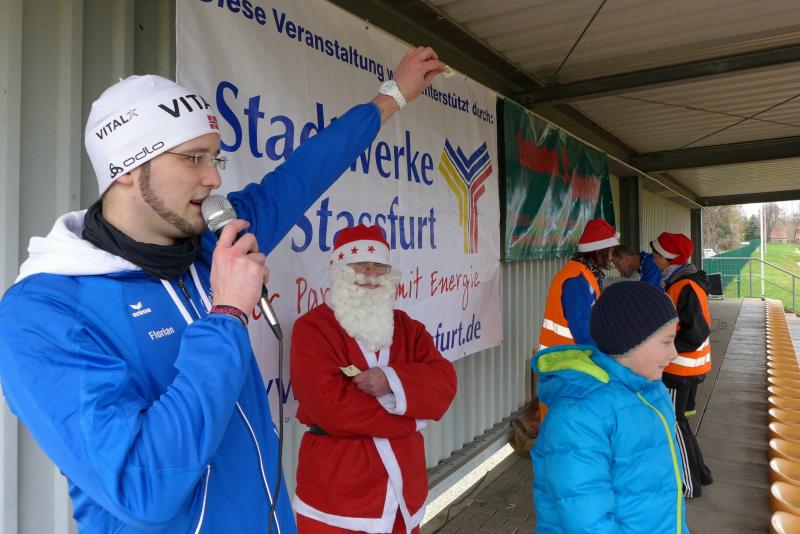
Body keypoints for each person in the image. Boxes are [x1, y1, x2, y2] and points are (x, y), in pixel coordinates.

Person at [0, 48, 444, 533]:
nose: (214, 178)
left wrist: (392, 96)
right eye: (194, 158)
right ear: (126, 166)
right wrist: (227, 313)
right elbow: (142, 486)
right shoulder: (45, 312)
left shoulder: (216, 238)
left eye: (215, 158)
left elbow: (304, 173)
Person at [290, 224, 457, 534]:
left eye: (378, 265)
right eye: (360, 264)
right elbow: (330, 408)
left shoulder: (408, 327)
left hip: (403, 493)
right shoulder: (312, 328)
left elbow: (444, 383)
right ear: (339, 270)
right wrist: (411, 419)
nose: (370, 273)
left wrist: (389, 380)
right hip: (336, 496)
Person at [531, 281, 689, 533]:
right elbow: (586, 517)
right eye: (666, 341)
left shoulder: (650, 390)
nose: (674, 353)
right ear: (630, 341)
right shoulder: (579, 414)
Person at [509, 218, 620, 455]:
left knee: (564, 426)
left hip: (570, 364)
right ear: (599, 250)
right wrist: (607, 360)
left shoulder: (584, 275)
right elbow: (583, 331)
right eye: (610, 250)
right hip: (566, 365)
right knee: (563, 429)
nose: (612, 257)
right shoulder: (576, 279)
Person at [651, 231, 714, 499]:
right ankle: (700, 474)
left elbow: (696, 332)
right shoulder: (680, 281)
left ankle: (688, 484)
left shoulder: (684, 285)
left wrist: (664, 350)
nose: (652, 257)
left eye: (656, 253)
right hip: (686, 367)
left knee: (674, 423)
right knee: (680, 423)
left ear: (669, 258)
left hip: (680, 369)